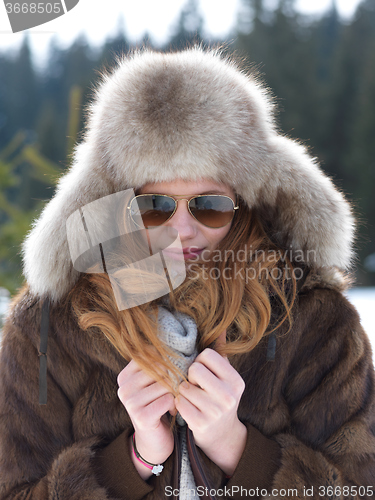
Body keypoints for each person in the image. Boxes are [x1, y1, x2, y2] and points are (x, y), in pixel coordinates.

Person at [0, 47, 374, 500]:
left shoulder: (315, 321)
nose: (182, 230)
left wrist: (236, 449)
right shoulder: (47, 329)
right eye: (154, 205)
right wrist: (134, 460)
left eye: (209, 205)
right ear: (114, 204)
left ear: (245, 202)